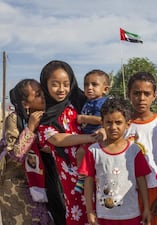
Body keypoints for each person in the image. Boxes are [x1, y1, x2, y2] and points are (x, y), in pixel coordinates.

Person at [38, 60, 101, 225]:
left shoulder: (80, 103)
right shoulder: (45, 116)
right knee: (77, 210)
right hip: (70, 174)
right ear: (45, 85)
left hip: (95, 165)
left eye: (66, 84)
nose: (61, 89)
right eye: (55, 84)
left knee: (100, 208)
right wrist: (90, 138)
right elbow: (57, 139)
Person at [78, 97, 151, 225]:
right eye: (109, 122)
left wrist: (146, 208)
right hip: (104, 215)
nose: (113, 127)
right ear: (102, 123)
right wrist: (89, 211)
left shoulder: (134, 151)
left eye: (118, 122)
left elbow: (141, 181)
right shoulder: (93, 151)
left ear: (127, 124)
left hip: (131, 214)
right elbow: (88, 183)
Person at [124, 72, 157, 225]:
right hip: (126, 188)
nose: (141, 98)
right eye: (137, 93)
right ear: (129, 94)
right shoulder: (121, 125)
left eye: (146, 94)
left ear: (154, 95)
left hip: (153, 188)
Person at [0, 79, 54, 225]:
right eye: (37, 95)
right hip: (17, 188)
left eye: (42, 92)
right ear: (25, 104)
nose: (43, 96)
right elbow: (15, 155)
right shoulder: (14, 119)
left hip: (43, 185)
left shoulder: (48, 116)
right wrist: (30, 129)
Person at [75, 69, 110, 193]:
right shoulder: (88, 102)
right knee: (81, 154)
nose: (89, 88)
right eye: (86, 85)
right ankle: (82, 177)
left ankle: (84, 178)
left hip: (97, 136)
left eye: (94, 85)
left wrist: (84, 118)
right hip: (87, 137)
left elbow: (102, 120)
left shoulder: (102, 102)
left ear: (105, 89)